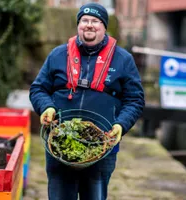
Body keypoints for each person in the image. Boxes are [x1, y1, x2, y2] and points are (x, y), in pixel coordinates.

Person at [29, 2, 145, 200]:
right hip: (60, 145)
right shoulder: (58, 54)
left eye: (95, 21)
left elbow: (135, 99)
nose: (89, 25)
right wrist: (46, 107)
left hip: (101, 148)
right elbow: (38, 88)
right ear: (78, 25)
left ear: (104, 27)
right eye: (84, 21)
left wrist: (120, 125)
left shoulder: (123, 59)